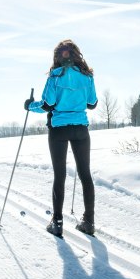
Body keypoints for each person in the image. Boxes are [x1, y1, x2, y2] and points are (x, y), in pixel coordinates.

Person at [25, 39, 98, 237]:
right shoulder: (87, 76)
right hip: (80, 129)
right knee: (85, 174)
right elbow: (92, 103)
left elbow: (48, 104)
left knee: (60, 175)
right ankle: (89, 222)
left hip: (59, 129)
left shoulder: (55, 76)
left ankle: (57, 222)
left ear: (57, 56)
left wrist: (29, 105)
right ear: (76, 54)